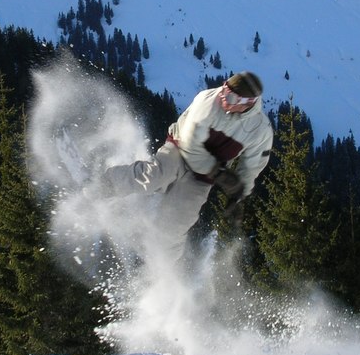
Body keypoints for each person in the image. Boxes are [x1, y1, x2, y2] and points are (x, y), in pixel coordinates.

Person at [100, 72, 273, 257]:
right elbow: (191, 146)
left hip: (206, 175)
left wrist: (238, 193)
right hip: (180, 149)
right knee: (155, 176)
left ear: (248, 102)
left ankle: (163, 267)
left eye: (230, 97)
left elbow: (253, 166)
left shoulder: (260, 130)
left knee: (177, 222)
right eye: (224, 90)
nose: (223, 97)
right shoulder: (207, 102)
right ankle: (104, 184)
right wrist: (219, 173)